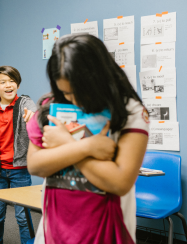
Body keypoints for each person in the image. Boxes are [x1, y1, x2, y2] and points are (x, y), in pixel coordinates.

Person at [26, 34, 149, 244]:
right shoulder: (52, 105)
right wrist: (87, 147)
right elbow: (36, 166)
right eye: (65, 92)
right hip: (54, 228)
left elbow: (119, 182)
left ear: (99, 78)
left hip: (106, 228)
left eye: (79, 91)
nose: (74, 100)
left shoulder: (130, 111)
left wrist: (66, 145)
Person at [0, 66, 36, 244]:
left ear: (17, 84)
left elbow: (34, 112)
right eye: (3, 82)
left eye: (12, 81)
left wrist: (33, 117)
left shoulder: (25, 104)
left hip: (20, 170)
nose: (8, 85)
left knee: (23, 217)